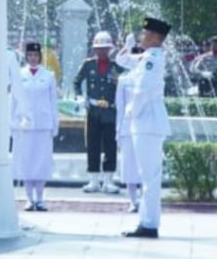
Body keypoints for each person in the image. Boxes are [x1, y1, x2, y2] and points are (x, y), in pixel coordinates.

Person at [122, 16, 171, 239]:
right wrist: (127, 45)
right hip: (145, 122)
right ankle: (146, 221)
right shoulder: (147, 56)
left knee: (150, 177)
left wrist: (132, 110)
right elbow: (122, 60)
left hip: (147, 121)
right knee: (147, 175)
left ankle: (149, 224)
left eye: (145, 33)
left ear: (154, 37)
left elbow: (142, 90)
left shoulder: (152, 59)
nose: (142, 36)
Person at [72, 31, 122, 193]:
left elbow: (125, 83)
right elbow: (76, 81)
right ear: (94, 49)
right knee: (92, 145)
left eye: (105, 48)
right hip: (93, 110)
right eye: (99, 48)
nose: (102, 51)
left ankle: (108, 180)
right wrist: (80, 97)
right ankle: (93, 180)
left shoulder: (116, 67)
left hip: (110, 111)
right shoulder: (88, 65)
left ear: (109, 49)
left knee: (110, 145)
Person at [12, 42, 58, 212]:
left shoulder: (49, 75)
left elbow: (53, 102)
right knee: (26, 161)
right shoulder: (19, 75)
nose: (33, 58)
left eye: (36, 55)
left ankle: (40, 198)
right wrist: (12, 124)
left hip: (43, 124)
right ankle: (29, 198)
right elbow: (13, 101)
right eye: (30, 55)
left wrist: (55, 124)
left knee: (41, 161)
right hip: (24, 124)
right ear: (26, 56)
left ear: (40, 57)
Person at [113, 40, 143, 213]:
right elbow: (120, 106)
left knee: (144, 164)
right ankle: (132, 201)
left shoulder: (149, 78)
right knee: (130, 165)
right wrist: (118, 130)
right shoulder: (124, 79)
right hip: (128, 125)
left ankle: (144, 199)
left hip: (144, 126)